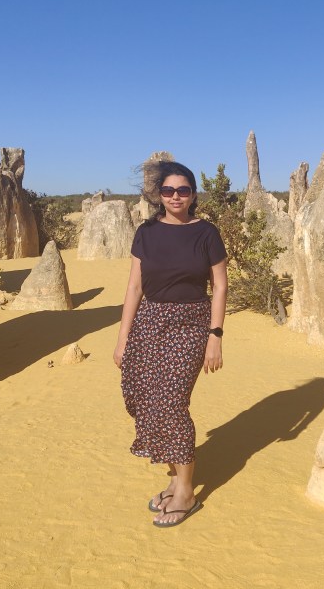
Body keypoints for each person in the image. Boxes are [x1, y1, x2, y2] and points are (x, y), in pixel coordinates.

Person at [114, 161, 228, 528]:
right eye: (168, 190)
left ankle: (187, 492)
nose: (175, 197)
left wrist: (215, 336)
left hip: (190, 323)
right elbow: (134, 287)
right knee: (143, 398)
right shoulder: (146, 233)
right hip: (149, 321)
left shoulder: (206, 233)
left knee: (172, 402)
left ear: (193, 194)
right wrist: (123, 338)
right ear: (159, 195)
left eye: (183, 190)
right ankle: (176, 479)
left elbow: (220, 286)